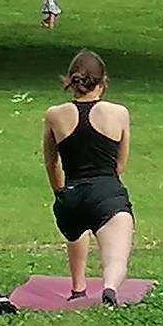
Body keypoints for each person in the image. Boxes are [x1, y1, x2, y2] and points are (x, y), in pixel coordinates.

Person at [41, 51, 136, 305]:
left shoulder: (54, 114)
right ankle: (109, 288)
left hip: (71, 196)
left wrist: (60, 193)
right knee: (116, 258)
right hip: (106, 193)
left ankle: (78, 288)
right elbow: (120, 164)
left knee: (76, 229)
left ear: (71, 81)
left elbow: (51, 162)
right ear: (102, 81)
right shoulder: (118, 113)